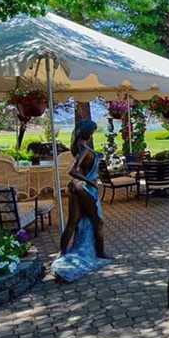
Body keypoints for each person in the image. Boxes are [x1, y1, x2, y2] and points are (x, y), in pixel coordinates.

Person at [51, 120, 114, 283]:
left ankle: (62, 252)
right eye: (92, 132)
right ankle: (100, 253)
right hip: (85, 189)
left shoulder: (79, 148)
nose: (92, 134)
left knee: (72, 223)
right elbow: (73, 171)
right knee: (98, 222)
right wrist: (91, 182)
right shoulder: (85, 150)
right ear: (87, 133)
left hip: (77, 188)